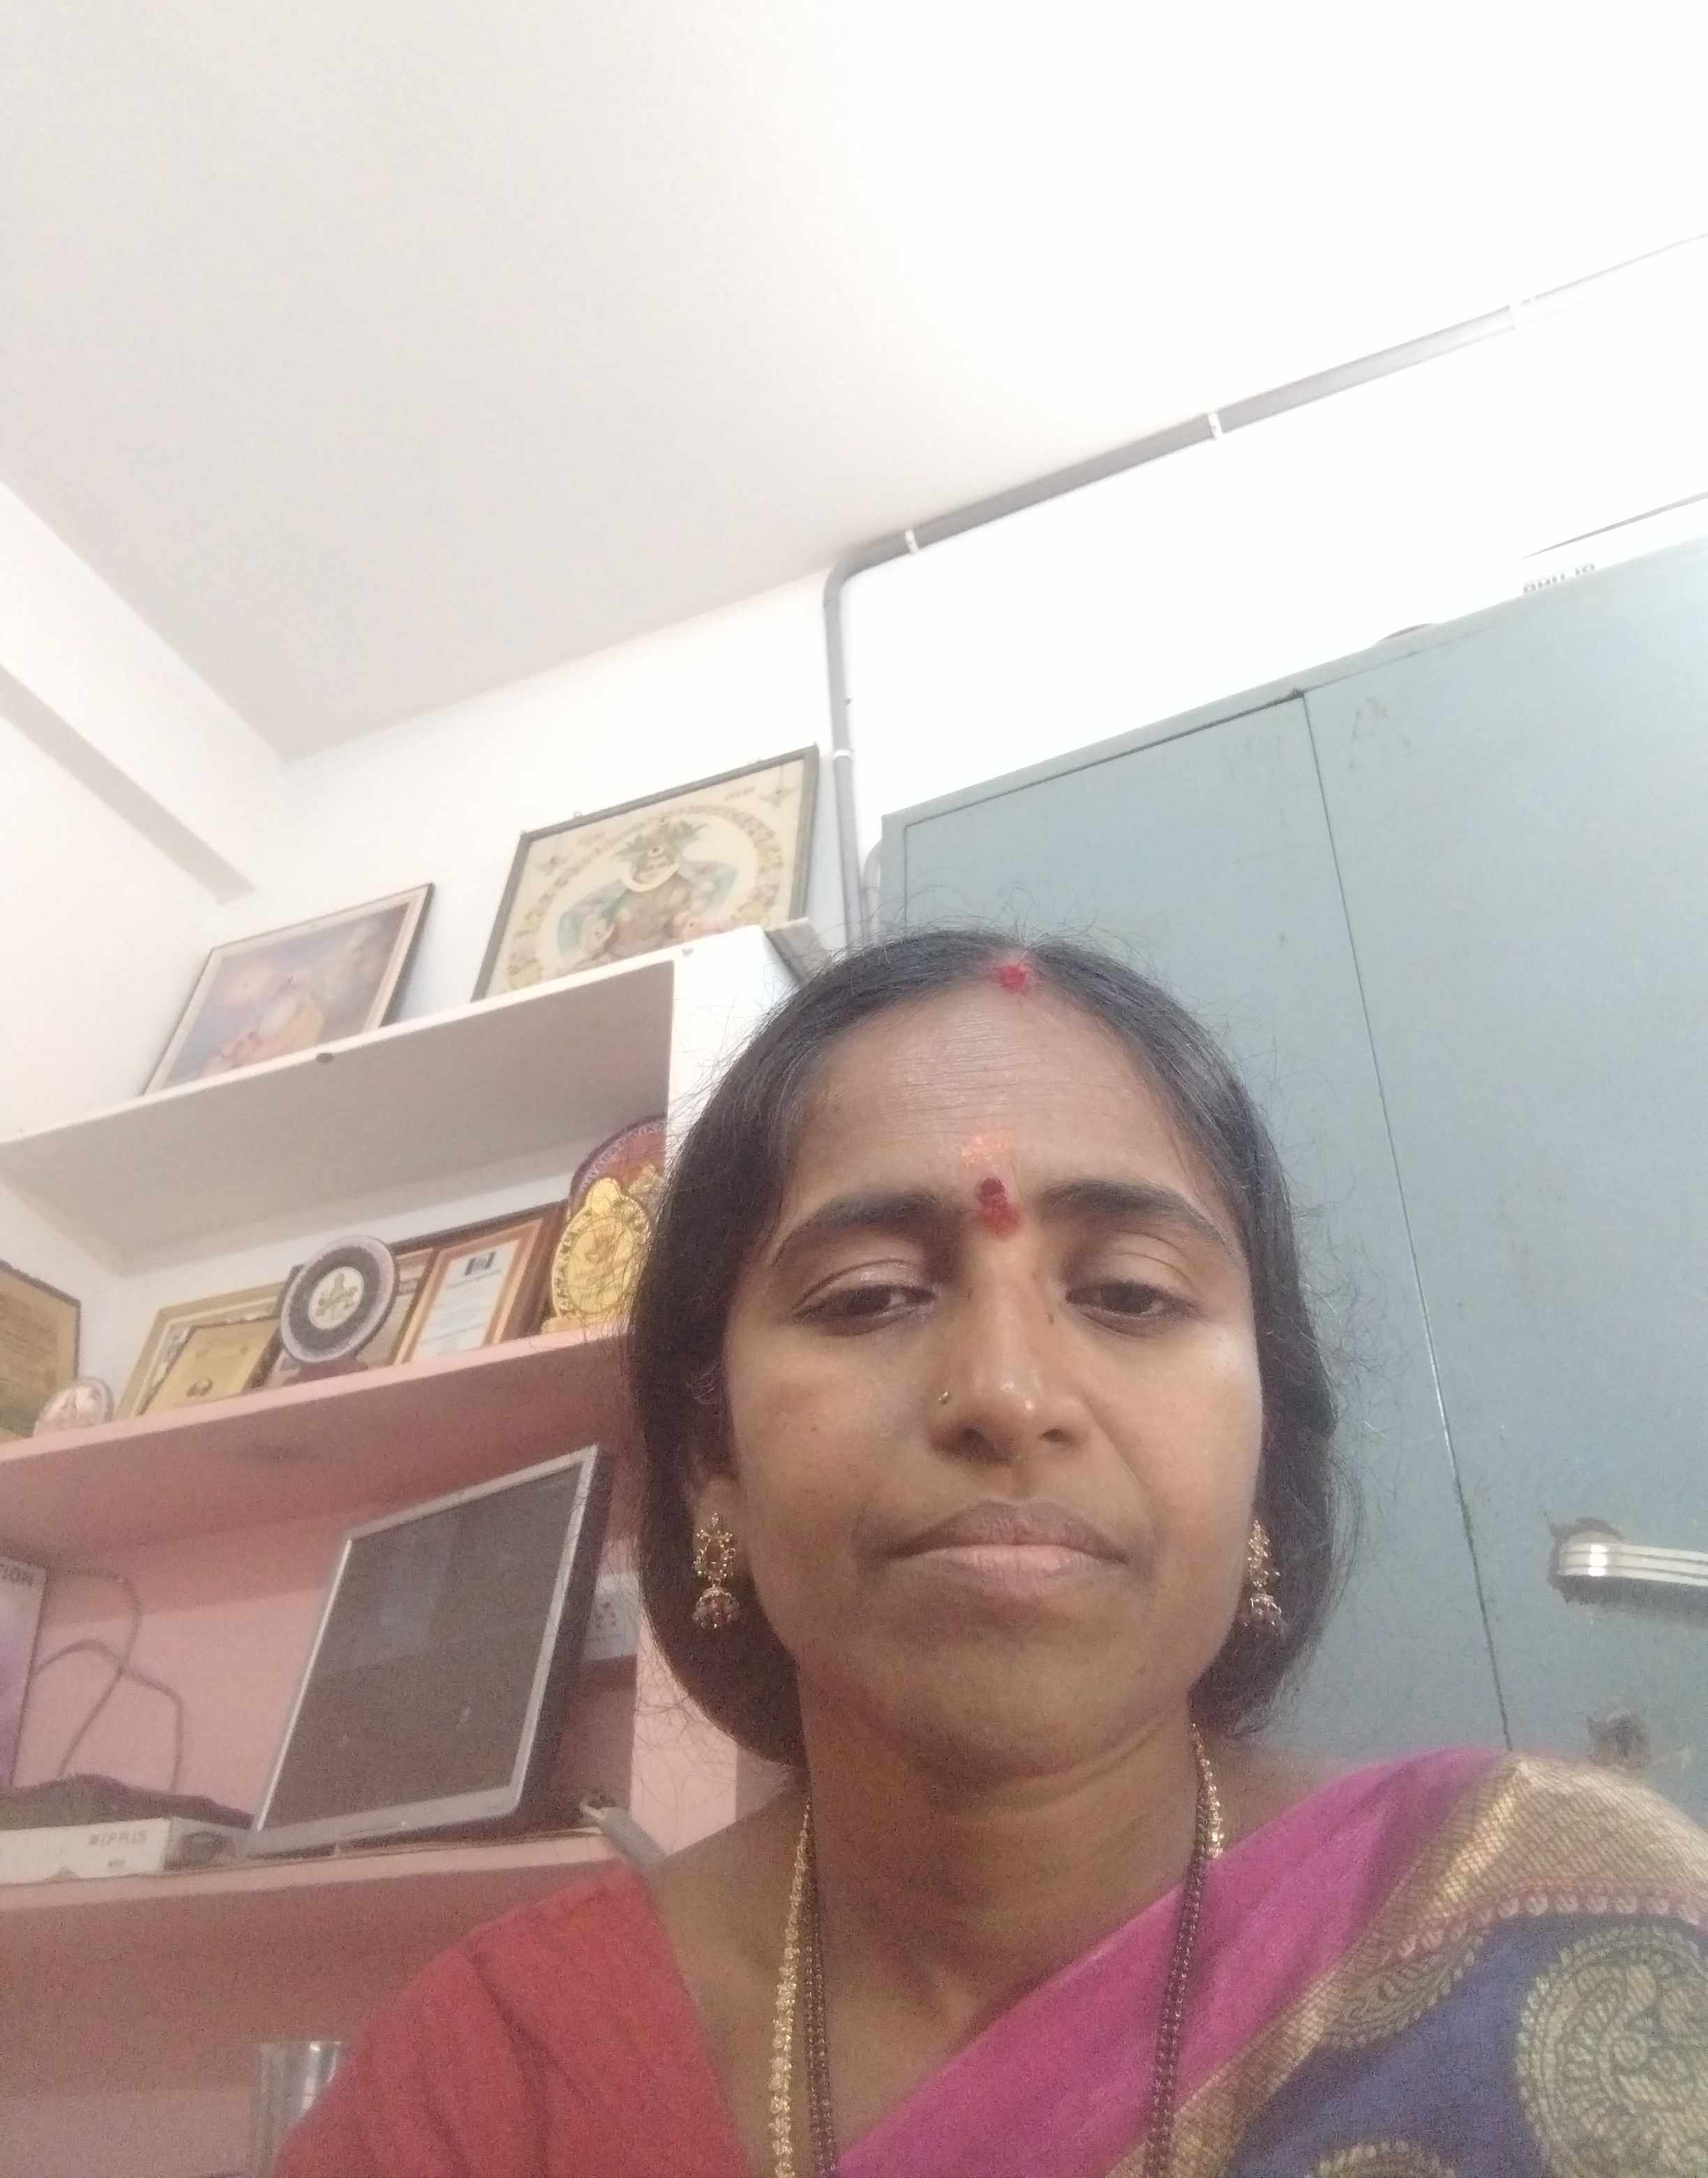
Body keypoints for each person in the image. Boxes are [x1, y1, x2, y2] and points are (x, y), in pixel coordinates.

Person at [278, 928, 1708, 2177]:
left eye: (1132, 1294)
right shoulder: (491, 2086)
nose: (1009, 1396)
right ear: (713, 1466)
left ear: (1267, 1455)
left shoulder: (1548, 1917)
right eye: (868, 1296)